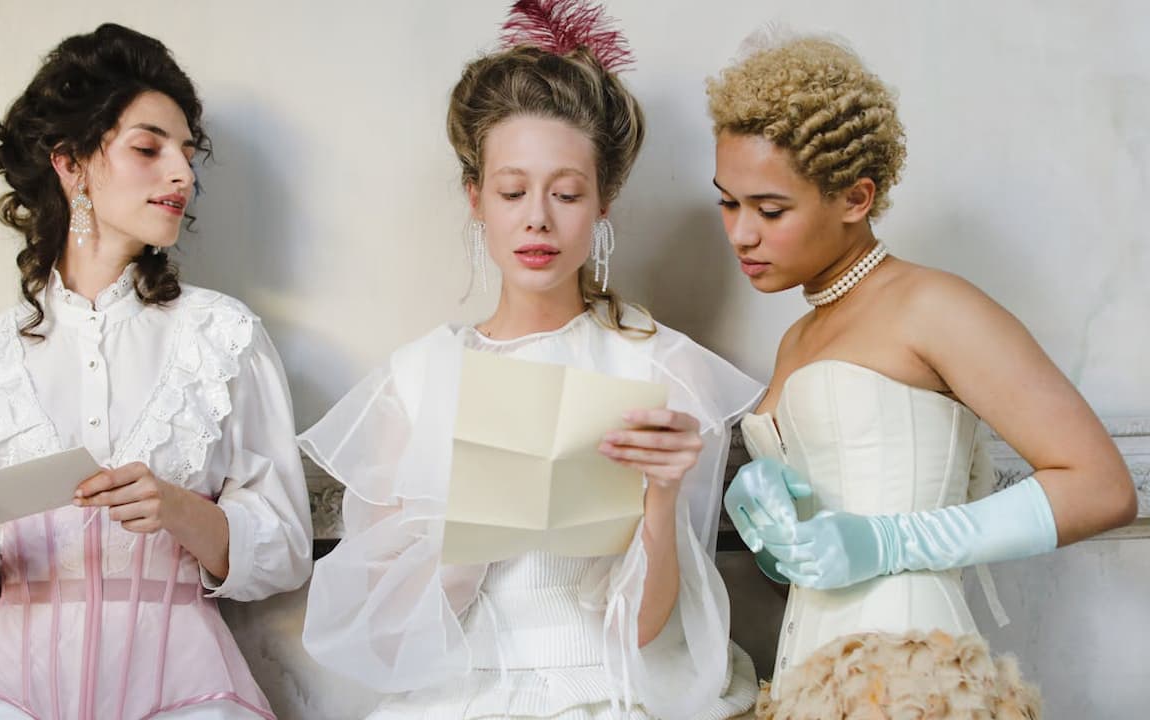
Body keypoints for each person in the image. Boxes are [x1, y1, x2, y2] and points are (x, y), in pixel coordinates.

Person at [298, 2, 762, 717]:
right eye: (513, 191)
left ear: (604, 201)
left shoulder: (661, 368)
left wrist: (662, 498)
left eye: (567, 193)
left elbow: (646, 631)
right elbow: (389, 636)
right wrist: (475, 528)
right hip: (465, 691)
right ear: (476, 196)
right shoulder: (417, 380)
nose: (537, 217)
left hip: (611, 690)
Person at [709, 33, 1137, 718]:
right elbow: (825, 550)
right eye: (727, 202)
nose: (740, 234)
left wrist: (892, 541)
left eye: (770, 209)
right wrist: (775, 541)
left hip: (917, 679)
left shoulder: (934, 305)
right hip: (801, 685)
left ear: (855, 197)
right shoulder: (798, 337)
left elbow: (1104, 487)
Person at [0, 23, 312, 719]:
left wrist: (179, 509)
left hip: (185, 688)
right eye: (149, 148)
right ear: (71, 164)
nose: (181, 172)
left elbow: (284, 552)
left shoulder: (224, 338)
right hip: (7, 691)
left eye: (187, 153)